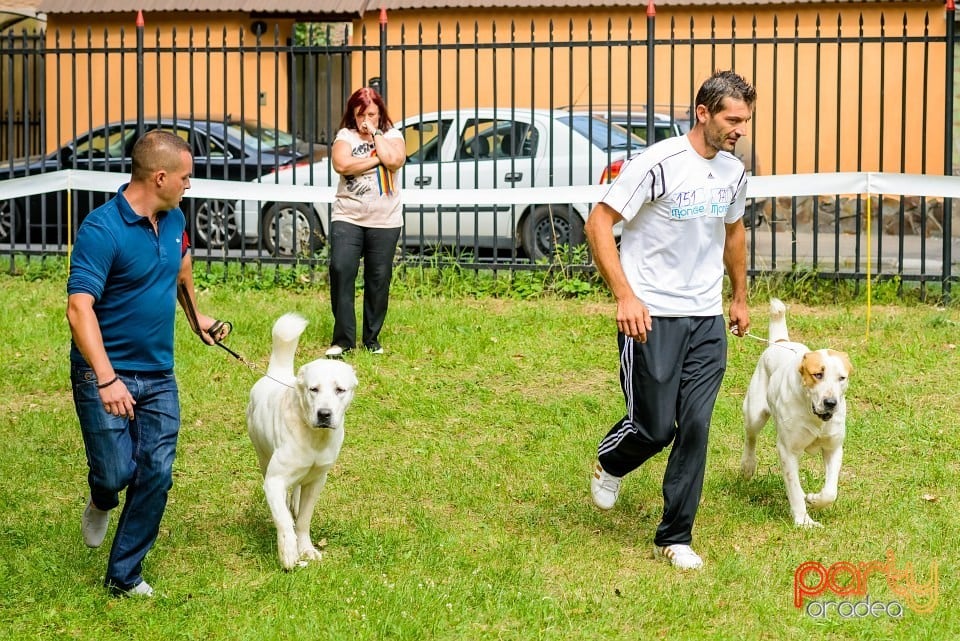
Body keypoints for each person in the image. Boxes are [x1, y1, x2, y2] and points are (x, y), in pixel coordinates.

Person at [585, 70, 756, 570]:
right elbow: (599, 220)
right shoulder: (656, 163)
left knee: (697, 426)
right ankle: (610, 462)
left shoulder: (733, 171)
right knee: (656, 427)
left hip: (705, 317)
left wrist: (740, 297)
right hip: (651, 315)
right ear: (702, 112)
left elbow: (734, 232)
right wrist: (625, 297)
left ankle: (675, 536)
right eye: (732, 118)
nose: (739, 128)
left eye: (745, 119)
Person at [67, 129, 227, 597]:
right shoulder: (102, 230)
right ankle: (101, 497)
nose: (189, 185)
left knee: (156, 471)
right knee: (116, 473)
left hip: (158, 374)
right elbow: (79, 309)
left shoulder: (175, 218)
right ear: (160, 177)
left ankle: (124, 575)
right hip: (105, 375)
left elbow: (180, 271)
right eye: (185, 177)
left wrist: (198, 317)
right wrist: (107, 378)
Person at [325, 87, 406, 357]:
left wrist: (376, 134)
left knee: (378, 278)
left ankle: (372, 339)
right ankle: (343, 339)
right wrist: (375, 159)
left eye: (371, 114)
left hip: (385, 220)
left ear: (380, 113)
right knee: (341, 269)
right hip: (348, 215)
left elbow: (394, 161)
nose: (365, 120)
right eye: (361, 115)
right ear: (352, 114)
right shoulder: (345, 136)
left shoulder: (392, 135)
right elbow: (342, 165)